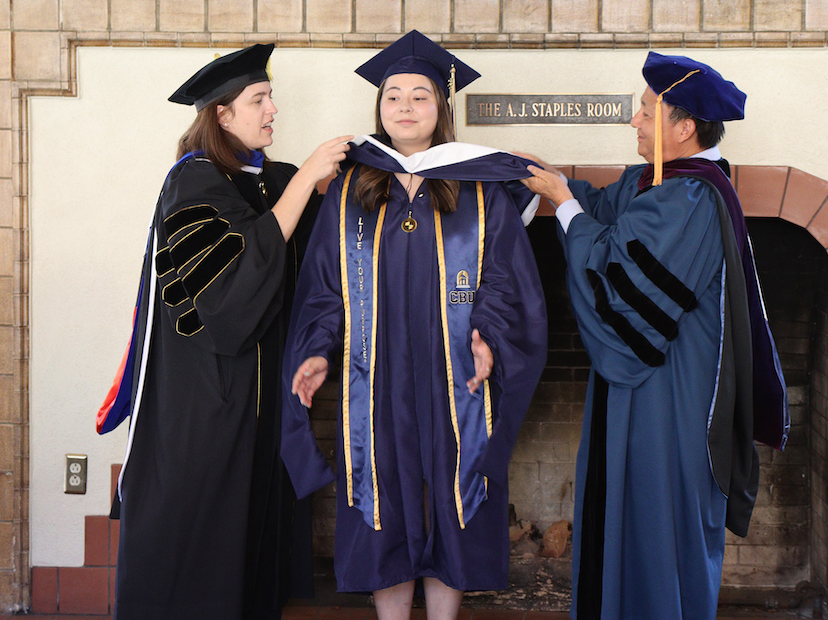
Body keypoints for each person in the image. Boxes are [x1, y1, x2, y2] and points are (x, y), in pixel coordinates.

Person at [279, 31, 548, 620]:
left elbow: (506, 280)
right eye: (392, 95)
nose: (404, 106)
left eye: (420, 95)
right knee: (384, 504)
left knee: (455, 500)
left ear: (442, 109)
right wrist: (320, 350)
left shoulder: (479, 188)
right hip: (376, 379)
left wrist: (490, 340)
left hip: (455, 376)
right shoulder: (349, 188)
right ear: (378, 108)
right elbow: (325, 288)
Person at [522, 52, 789, 619]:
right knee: (637, 516)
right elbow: (606, 212)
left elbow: (616, 274)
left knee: (656, 518)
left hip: (668, 397)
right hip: (655, 391)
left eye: (646, 111)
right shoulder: (662, 183)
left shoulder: (690, 197)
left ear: (684, 126)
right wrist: (553, 182)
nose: (635, 121)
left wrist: (564, 205)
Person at [98, 44, 351, 620]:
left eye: (270, 98)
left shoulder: (260, 180)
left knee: (246, 549)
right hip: (204, 404)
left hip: (253, 405)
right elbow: (230, 296)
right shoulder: (194, 185)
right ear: (221, 114)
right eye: (258, 100)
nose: (272, 111)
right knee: (198, 543)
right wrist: (307, 175)